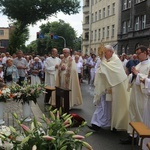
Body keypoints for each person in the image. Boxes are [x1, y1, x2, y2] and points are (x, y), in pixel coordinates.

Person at [88, 45, 130, 131]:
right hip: (105, 88)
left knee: (114, 108)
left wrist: (102, 62)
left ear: (111, 52)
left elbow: (111, 70)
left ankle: (115, 125)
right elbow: (100, 70)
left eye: (105, 52)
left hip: (115, 89)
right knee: (102, 106)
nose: (103, 54)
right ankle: (96, 124)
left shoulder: (116, 60)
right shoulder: (104, 60)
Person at [120, 45, 150, 144]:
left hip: (142, 96)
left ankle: (143, 138)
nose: (137, 56)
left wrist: (137, 74)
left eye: (139, 53)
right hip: (134, 94)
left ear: (145, 53)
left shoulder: (149, 65)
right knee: (132, 114)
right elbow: (132, 78)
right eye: (136, 53)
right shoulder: (138, 65)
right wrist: (132, 75)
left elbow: (147, 80)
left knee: (141, 115)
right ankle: (131, 136)